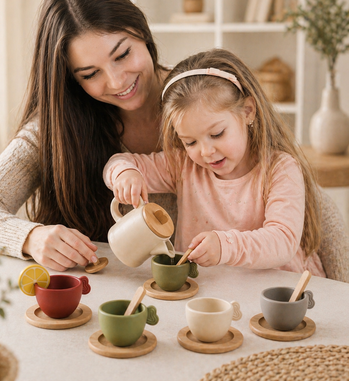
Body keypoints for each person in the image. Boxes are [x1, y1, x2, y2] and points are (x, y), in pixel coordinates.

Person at [0, 0, 176, 271]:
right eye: (90, 74)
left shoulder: (203, 96)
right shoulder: (57, 128)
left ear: (142, 32)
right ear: (71, 79)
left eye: (122, 54)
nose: (117, 81)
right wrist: (31, 236)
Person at [103, 48, 326, 277]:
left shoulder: (279, 169)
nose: (206, 152)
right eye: (190, 142)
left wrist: (224, 246)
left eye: (217, 134)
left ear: (248, 112)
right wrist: (125, 173)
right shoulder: (183, 166)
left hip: (277, 291)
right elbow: (118, 162)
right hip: (207, 291)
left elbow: (282, 241)